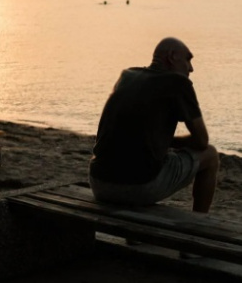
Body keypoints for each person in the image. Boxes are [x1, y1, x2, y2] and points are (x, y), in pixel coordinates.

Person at [89, 37, 220, 213]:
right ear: (172, 56)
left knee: (144, 157)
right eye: (188, 59)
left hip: (99, 183)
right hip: (139, 187)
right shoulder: (178, 82)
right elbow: (202, 141)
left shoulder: (127, 76)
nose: (191, 68)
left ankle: (133, 235)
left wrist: (163, 142)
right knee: (210, 155)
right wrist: (171, 143)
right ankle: (198, 223)